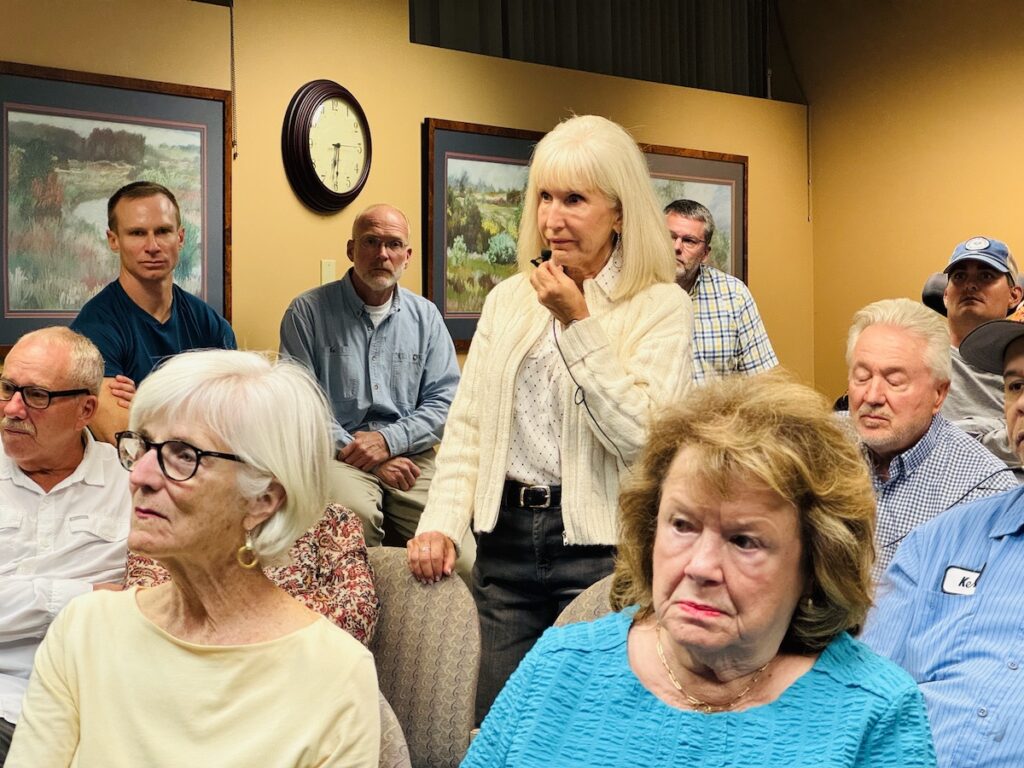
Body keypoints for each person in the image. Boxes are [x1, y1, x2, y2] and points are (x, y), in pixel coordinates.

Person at [463, 373, 937, 767]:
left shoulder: (874, 712)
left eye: (745, 541)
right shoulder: (561, 664)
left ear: (816, 564)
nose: (701, 567)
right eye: (683, 525)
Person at [408, 114, 694, 721]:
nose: (551, 218)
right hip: (504, 543)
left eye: (574, 200)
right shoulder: (508, 299)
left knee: (592, 729)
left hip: (600, 548)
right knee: (498, 724)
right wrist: (439, 522)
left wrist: (578, 323)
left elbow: (644, 441)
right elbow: (468, 429)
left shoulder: (660, 307)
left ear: (619, 212)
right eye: (543, 196)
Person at [5, 350, 379, 767]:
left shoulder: (337, 674)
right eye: (143, 445)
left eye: (184, 454)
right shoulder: (84, 631)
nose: (141, 475)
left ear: (263, 500)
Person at [863, 315, 1024, 768]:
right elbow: (868, 693)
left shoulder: (976, 478)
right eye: (1015, 386)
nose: (1022, 404)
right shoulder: (936, 544)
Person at [279, 203, 467, 562]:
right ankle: (368, 613)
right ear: (351, 250)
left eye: (394, 244)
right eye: (370, 241)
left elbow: (446, 402)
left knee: (462, 559)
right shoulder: (306, 313)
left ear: (407, 256)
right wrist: (367, 455)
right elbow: (299, 405)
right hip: (337, 456)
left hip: (413, 457)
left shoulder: (425, 317)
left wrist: (389, 441)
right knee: (355, 523)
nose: (382, 254)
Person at [0, 328, 130, 762]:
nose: (13, 409)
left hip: (95, 702)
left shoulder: (130, 484)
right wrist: (85, 596)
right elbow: (113, 602)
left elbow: (147, 603)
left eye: (36, 395)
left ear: (86, 409)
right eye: (6, 389)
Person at [846, 298, 1015, 579]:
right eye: (861, 377)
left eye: (894, 381)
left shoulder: (983, 491)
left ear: (939, 394)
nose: (872, 396)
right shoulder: (818, 449)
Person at [70, 181, 236, 444]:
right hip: (125, 480)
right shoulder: (93, 330)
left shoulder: (211, 325)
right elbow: (123, 436)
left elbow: (235, 422)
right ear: (114, 240)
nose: (152, 246)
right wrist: (195, 408)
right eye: (137, 233)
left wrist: (146, 405)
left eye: (163, 231)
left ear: (180, 237)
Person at [124, 501, 379, 645]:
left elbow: (356, 617)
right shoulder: (172, 517)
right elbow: (145, 609)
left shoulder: (331, 519)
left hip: (302, 680)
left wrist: (220, 622)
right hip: (192, 676)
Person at [665, 199, 777, 382]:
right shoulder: (632, 288)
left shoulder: (734, 295)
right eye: (670, 236)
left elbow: (763, 381)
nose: (677, 247)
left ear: (705, 254)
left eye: (689, 241)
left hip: (714, 410)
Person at [940, 235, 1022, 467]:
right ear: (946, 295)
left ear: (1014, 295)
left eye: (986, 276)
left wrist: (967, 432)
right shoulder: (921, 360)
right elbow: (926, 442)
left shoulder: (1019, 365)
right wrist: (1003, 429)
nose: (970, 285)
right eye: (959, 276)